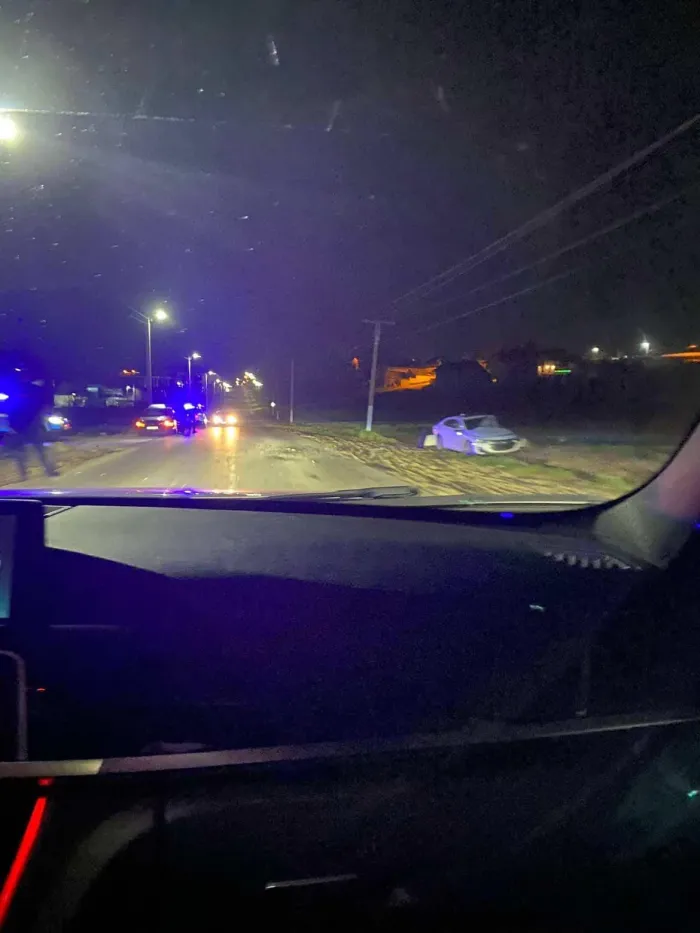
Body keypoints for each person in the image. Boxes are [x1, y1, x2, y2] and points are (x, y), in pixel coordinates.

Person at [6, 371, 59, 480]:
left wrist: (11, 424)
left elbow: (9, 409)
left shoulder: (14, 392)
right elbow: (41, 405)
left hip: (19, 425)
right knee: (40, 448)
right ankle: (49, 470)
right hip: (31, 424)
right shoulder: (33, 389)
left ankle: (23, 475)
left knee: (20, 451)